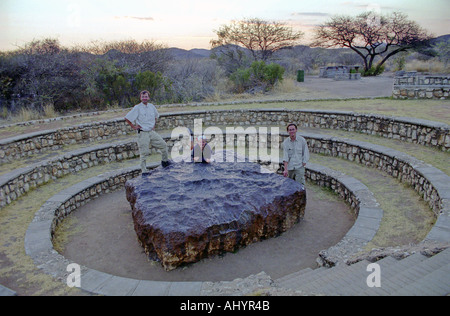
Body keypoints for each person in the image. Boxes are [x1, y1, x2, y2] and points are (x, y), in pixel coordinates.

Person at [124, 90, 172, 174]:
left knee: (163, 145)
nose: (144, 98)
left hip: (151, 132)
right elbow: (127, 118)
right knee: (144, 152)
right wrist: (134, 126)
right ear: (140, 98)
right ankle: (144, 170)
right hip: (143, 133)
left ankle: (165, 162)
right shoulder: (137, 108)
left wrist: (153, 125)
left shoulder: (151, 106)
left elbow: (156, 116)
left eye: (146, 96)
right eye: (143, 97)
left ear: (148, 97)